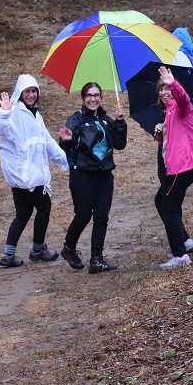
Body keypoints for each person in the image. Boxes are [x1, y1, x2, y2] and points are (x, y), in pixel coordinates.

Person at [0, 74, 69, 267]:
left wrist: (67, 162)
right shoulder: (14, 112)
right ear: (20, 93)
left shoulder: (35, 114)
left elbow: (47, 142)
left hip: (21, 177)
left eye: (34, 91)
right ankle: (38, 249)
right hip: (28, 176)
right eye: (27, 91)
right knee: (44, 207)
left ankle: (8, 254)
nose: (31, 95)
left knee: (23, 213)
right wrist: (4, 111)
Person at [57, 82, 128, 274]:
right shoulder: (76, 120)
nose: (93, 99)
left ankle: (96, 259)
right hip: (82, 174)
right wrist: (66, 140)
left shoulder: (106, 120)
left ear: (101, 99)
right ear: (83, 98)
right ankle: (69, 249)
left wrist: (120, 122)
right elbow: (66, 144)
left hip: (104, 174)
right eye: (89, 95)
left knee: (101, 217)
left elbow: (120, 145)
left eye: (97, 95)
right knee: (83, 215)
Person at [153, 66, 193, 269]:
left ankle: (180, 255)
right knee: (164, 202)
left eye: (166, 88)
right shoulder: (168, 113)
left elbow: (184, 100)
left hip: (183, 166)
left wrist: (172, 82)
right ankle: (184, 241)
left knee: (166, 203)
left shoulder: (180, 107)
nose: (164, 92)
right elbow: (172, 143)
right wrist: (161, 133)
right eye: (161, 89)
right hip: (177, 166)